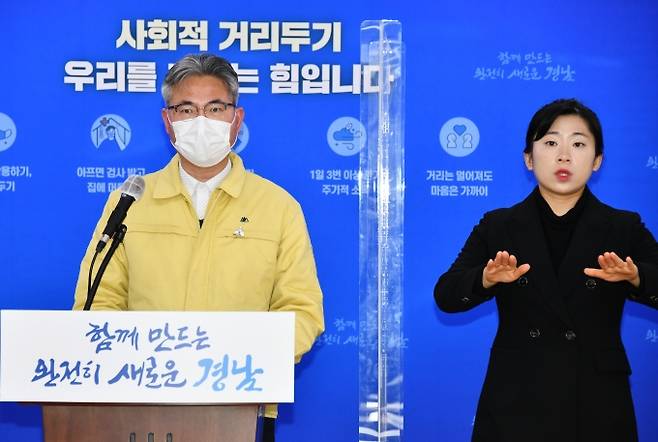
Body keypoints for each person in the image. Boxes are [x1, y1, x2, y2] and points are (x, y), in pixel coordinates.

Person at [73, 53, 325, 442]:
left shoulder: (278, 207)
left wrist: (242, 363)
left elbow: (302, 311)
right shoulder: (130, 201)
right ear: (167, 121)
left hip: (238, 405)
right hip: (139, 403)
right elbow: (97, 302)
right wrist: (136, 365)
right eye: (187, 109)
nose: (201, 121)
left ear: (236, 119)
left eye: (215, 108)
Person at [434, 98, 658, 442]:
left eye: (578, 144)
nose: (564, 156)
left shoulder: (623, 227)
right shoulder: (499, 226)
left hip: (597, 402)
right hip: (516, 400)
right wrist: (485, 279)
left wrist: (636, 277)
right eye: (551, 143)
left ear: (597, 160)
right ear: (529, 158)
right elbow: (446, 295)